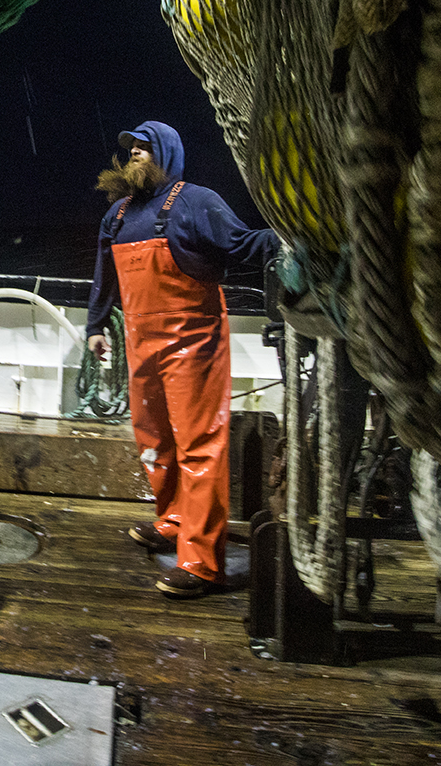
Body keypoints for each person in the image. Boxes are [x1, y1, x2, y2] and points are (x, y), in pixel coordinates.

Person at [86, 121, 278, 598]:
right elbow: (104, 275)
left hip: (194, 343)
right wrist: (95, 326)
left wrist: (294, 237)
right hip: (141, 344)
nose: (135, 153)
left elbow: (242, 244)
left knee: (199, 447)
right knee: (154, 440)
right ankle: (172, 522)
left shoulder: (196, 201)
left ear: (167, 153)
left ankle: (202, 563)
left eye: (144, 147)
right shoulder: (117, 215)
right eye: (131, 147)